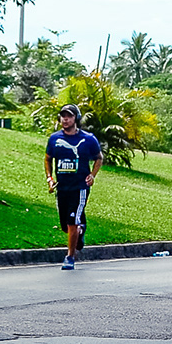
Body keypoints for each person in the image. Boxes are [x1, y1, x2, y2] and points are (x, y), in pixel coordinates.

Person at [44, 106, 102, 269]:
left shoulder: (88, 139)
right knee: (66, 226)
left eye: (69, 116)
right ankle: (80, 231)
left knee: (72, 222)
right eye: (63, 116)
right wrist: (49, 178)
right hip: (62, 187)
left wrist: (92, 175)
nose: (65, 119)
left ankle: (70, 257)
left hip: (80, 187)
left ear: (76, 118)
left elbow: (99, 158)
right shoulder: (54, 139)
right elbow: (48, 158)